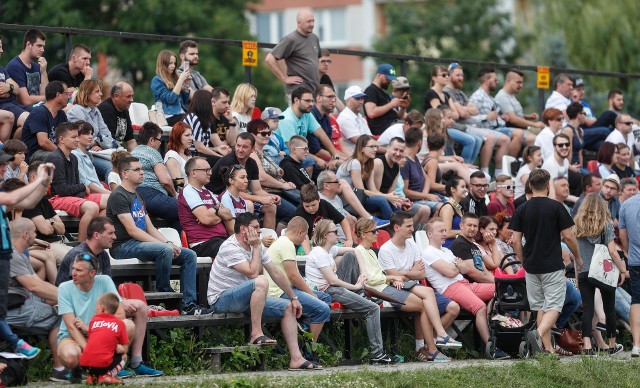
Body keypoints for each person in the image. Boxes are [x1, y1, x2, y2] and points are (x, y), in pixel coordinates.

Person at [207, 212, 322, 370]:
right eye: (255, 227)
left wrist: (293, 297)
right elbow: (253, 273)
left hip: (246, 298)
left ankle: (296, 358)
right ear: (243, 230)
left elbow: (275, 272)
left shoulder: (257, 246)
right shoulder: (230, 246)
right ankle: (256, 334)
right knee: (260, 281)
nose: (260, 231)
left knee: (288, 306)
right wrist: (256, 247)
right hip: (221, 299)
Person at [55, 216, 159, 378]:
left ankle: (136, 362)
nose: (114, 237)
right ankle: (104, 362)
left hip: (101, 306)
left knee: (139, 306)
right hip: (78, 312)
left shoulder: (102, 255)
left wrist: (122, 302)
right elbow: (78, 294)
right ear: (97, 235)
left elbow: (109, 290)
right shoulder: (78, 257)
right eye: (110, 233)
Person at [106, 156, 205, 315]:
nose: (142, 173)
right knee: (164, 250)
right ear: (125, 173)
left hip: (140, 244)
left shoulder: (137, 194)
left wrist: (168, 242)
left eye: (142, 169)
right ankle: (164, 294)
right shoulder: (118, 195)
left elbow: (149, 227)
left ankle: (188, 305)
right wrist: (165, 246)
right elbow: (133, 230)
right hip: (123, 246)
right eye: (137, 170)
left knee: (189, 255)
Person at [305, 218, 400, 364]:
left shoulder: (329, 250)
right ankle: (377, 354)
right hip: (329, 291)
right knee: (373, 309)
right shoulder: (319, 252)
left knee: (350, 255)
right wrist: (356, 286)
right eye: (335, 232)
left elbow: (356, 250)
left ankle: (361, 293)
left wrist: (363, 273)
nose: (339, 234)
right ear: (325, 235)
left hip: (335, 289)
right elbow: (332, 281)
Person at [509, 169, 582, 356]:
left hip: (531, 266)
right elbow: (568, 236)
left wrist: (523, 260)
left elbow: (515, 241)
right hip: (552, 265)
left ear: (530, 186)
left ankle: (546, 350)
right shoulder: (557, 207)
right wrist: (578, 257)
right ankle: (537, 333)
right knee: (555, 307)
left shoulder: (521, 209)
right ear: (548, 185)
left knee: (540, 307)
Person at [422, 218, 509, 360]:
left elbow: (465, 268)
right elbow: (452, 272)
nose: (444, 233)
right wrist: (458, 267)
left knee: (499, 289)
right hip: (450, 288)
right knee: (480, 307)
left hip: (464, 284)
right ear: (430, 234)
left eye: (445, 230)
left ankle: (498, 328)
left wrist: (456, 268)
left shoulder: (446, 251)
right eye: (440, 231)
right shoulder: (428, 252)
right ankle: (490, 347)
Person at [378, 212, 462, 350]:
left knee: (452, 307)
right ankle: (430, 343)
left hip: (414, 287)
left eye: (412, 225)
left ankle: (432, 341)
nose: (412, 229)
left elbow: (422, 274)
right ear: (397, 227)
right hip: (395, 289)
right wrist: (411, 272)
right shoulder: (386, 250)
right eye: (409, 226)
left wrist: (405, 272)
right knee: (426, 298)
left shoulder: (411, 243)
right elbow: (395, 279)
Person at [7, 218, 65, 378]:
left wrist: (64, 295)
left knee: (56, 302)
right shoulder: (12, 255)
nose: (36, 235)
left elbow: (38, 284)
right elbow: (35, 287)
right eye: (34, 231)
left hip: (19, 300)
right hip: (9, 308)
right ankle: (60, 370)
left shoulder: (18, 254)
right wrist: (69, 298)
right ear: (26, 235)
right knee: (60, 316)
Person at [574, 193, 628, 356]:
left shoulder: (577, 225)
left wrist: (577, 277)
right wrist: (623, 269)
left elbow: (576, 254)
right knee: (609, 308)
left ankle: (588, 345)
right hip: (603, 272)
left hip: (584, 271)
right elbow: (612, 251)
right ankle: (611, 345)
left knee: (588, 308)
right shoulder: (606, 225)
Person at [265, 217, 331, 350]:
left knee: (326, 298)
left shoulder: (281, 241)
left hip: (284, 289)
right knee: (322, 309)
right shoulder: (287, 244)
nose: (306, 239)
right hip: (280, 293)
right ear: (300, 232)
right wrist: (312, 294)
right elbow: (293, 276)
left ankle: (303, 325)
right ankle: (309, 349)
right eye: (306, 235)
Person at [208, 132, 288, 231]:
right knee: (249, 204)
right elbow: (233, 192)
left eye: (245, 147)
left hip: (237, 196)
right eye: (238, 145)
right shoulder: (228, 162)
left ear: (253, 149)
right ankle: (249, 237)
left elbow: (257, 190)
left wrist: (270, 197)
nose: (240, 150)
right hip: (218, 197)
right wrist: (260, 199)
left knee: (270, 207)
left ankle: (268, 241)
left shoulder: (252, 163)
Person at [442, 64, 510, 177]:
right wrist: (467, 110)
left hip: (469, 125)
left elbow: (475, 110)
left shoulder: (461, 93)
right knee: (483, 138)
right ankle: (476, 172)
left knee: (505, 138)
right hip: (459, 126)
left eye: (462, 75)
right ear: (449, 76)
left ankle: (498, 175)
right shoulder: (447, 92)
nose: (461, 78)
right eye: (458, 75)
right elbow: (461, 114)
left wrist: (465, 110)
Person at [45, 122, 107, 242]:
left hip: (71, 196)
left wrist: (81, 190)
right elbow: (61, 190)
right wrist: (82, 187)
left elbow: (76, 187)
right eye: (73, 137)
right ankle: (82, 244)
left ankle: (94, 238)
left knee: (111, 201)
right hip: (56, 199)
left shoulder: (73, 158)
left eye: (77, 136)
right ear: (62, 139)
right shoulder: (55, 158)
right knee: (92, 207)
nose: (77, 140)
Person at [469, 67, 534, 157]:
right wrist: (486, 117)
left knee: (532, 137)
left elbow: (497, 115)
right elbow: (470, 118)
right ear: (486, 80)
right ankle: (509, 165)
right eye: (495, 80)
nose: (498, 82)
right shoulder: (477, 97)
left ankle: (511, 166)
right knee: (518, 134)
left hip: (498, 128)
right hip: (488, 130)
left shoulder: (490, 98)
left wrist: (502, 117)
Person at [21, 162, 71, 278]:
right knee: (77, 259)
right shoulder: (29, 202)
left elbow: (62, 229)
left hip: (58, 242)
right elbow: (45, 230)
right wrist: (52, 222)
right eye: (47, 178)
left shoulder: (45, 201)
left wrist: (50, 222)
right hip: (45, 246)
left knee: (89, 256)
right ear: (34, 178)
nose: (51, 182)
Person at [178, 157, 233, 258]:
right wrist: (217, 210)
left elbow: (229, 215)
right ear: (193, 173)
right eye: (206, 170)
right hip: (202, 243)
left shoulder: (207, 192)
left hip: (219, 240)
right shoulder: (188, 191)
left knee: (246, 247)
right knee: (233, 250)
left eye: (210, 169)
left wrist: (213, 211)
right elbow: (207, 219)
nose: (210, 173)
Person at [276, 86, 344, 168]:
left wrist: (335, 156)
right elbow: (294, 150)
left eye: (312, 101)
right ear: (296, 100)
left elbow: (321, 134)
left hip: (301, 153)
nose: (311, 104)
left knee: (338, 164)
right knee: (310, 161)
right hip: (284, 157)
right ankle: (305, 181)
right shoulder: (287, 119)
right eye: (307, 101)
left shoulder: (307, 114)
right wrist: (317, 159)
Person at [336, 135, 401, 220]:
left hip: (358, 197)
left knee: (395, 202)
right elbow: (361, 192)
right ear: (362, 148)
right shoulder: (355, 162)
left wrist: (391, 197)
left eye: (375, 146)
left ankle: (401, 226)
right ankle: (393, 227)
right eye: (371, 147)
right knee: (382, 200)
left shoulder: (369, 164)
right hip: (345, 198)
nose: (375, 150)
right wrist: (386, 196)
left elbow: (373, 190)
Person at [65, 79, 117, 180]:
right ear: (87, 93)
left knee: (126, 162)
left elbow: (108, 137)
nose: (101, 94)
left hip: (98, 152)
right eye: (97, 91)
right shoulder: (77, 111)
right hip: (81, 154)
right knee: (111, 168)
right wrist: (97, 142)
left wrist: (97, 143)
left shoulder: (96, 110)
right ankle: (113, 195)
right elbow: (82, 139)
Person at [264, 8, 321, 100]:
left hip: (313, 92)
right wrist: (284, 79)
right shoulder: (291, 39)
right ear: (299, 23)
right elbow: (269, 59)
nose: (312, 24)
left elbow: (315, 62)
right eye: (308, 22)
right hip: (298, 93)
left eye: (313, 21)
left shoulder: (314, 38)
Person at [372, 136, 429, 226]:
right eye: (395, 149)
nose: (398, 153)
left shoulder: (396, 167)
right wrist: (392, 198)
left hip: (385, 198)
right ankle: (397, 229)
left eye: (401, 151)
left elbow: (391, 192)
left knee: (407, 208)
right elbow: (374, 192)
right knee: (386, 203)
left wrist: (401, 200)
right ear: (388, 148)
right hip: (374, 199)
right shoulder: (379, 162)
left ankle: (407, 233)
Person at [131, 122, 179, 223]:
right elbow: (165, 180)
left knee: (176, 219)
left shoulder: (132, 152)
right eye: (159, 139)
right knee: (186, 209)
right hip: (152, 193)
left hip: (135, 194)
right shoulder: (153, 152)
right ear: (152, 140)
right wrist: (175, 195)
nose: (161, 142)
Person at [79, 292, 128, 385]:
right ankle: (106, 376)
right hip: (102, 365)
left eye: (96, 306)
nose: (95, 308)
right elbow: (125, 349)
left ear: (102, 308)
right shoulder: (120, 324)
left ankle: (92, 377)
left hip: (84, 364)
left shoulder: (93, 320)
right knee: (124, 357)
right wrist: (120, 348)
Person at [247, 118, 299, 204]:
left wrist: (286, 183)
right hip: (266, 193)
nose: (267, 136)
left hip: (278, 191)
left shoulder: (264, 152)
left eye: (269, 133)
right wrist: (282, 185)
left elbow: (276, 174)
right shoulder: (252, 153)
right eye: (264, 133)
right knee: (294, 211)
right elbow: (262, 177)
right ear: (252, 135)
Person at [316, 170, 388, 229]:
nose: (339, 183)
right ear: (326, 186)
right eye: (336, 181)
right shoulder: (320, 201)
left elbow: (350, 220)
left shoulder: (336, 198)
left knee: (353, 219)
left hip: (347, 241)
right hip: (336, 242)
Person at [295, 183, 353, 252]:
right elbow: (303, 234)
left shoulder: (324, 204)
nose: (310, 208)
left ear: (319, 200)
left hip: (327, 242)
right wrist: (309, 254)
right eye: (307, 206)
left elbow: (343, 220)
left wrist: (349, 239)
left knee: (348, 251)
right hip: (309, 244)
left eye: (313, 205)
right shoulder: (300, 211)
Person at [22, 81, 69, 163]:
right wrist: (63, 153)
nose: (68, 97)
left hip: (53, 151)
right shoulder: (39, 112)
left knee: (82, 155)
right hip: (35, 153)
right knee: (58, 159)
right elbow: (43, 142)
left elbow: (66, 137)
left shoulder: (61, 114)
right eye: (66, 93)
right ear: (58, 95)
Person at [619, 181, 640, 357]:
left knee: (636, 300)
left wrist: (628, 251)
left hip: (635, 260)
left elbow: (623, 235)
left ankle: (636, 345)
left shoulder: (627, 204)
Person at [183, 88, 232, 158]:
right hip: (191, 156)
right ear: (204, 103)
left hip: (199, 154)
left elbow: (203, 147)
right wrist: (220, 157)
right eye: (211, 101)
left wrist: (216, 149)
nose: (213, 104)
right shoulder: (194, 118)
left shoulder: (205, 119)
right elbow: (199, 148)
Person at [5, 29, 48, 106]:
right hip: (23, 111)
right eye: (39, 46)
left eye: (43, 46)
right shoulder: (14, 67)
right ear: (28, 45)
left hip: (38, 107)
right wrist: (49, 97)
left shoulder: (37, 66)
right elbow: (25, 100)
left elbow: (44, 94)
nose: (42, 50)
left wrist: (44, 71)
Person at [0, 37, 31, 141]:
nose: (1, 50)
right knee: (30, 119)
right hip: (4, 106)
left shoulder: (2, 70)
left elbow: (16, 89)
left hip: (15, 103)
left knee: (41, 113)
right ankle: (10, 150)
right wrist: (9, 90)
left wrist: (9, 87)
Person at [450, 213, 495, 283]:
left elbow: (484, 270)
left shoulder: (474, 245)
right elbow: (473, 273)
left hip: (483, 284)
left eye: (475, 226)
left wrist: (497, 281)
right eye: (469, 225)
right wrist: (497, 283)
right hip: (469, 285)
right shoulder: (460, 244)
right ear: (461, 226)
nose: (472, 229)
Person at [363, 63, 406, 136]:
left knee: (417, 124)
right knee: (412, 129)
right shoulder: (370, 90)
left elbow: (399, 116)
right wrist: (391, 104)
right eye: (387, 78)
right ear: (379, 75)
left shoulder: (385, 94)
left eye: (391, 79)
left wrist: (403, 107)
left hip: (394, 125)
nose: (389, 81)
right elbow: (371, 113)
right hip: (383, 131)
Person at [150, 50, 191, 126]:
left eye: (174, 63)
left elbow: (185, 101)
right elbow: (170, 99)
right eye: (170, 63)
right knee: (192, 119)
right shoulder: (156, 81)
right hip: (168, 116)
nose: (173, 66)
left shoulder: (174, 78)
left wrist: (185, 87)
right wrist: (180, 80)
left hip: (181, 115)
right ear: (163, 64)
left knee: (200, 117)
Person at [71, 121, 111, 194]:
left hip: (99, 191)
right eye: (86, 133)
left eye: (91, 133)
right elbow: (84, 182)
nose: (90, 137)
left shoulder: (86, 155)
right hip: (90, 194)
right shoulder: (75, 155)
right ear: (76, 135)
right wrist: (107, 193)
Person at [97, 82, 137, 151]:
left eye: (132, 96)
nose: (131, 100)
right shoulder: (106, 109)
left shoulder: (124, 109)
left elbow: (130, 141)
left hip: (117, 151)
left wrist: (137, 157)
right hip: (107, 151)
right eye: (128, 96)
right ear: (116, 96)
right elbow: (109, 141)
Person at [337, 86, 372, 152]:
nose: (361, 102)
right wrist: (386, 150)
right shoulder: (345, 118)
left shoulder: (360, 117)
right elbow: (364, 143)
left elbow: (370, 140)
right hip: (352, 158)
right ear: (348, 101)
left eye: (362, 98)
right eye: (357, 99)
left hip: (364, 155)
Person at [440, 176, 467, 248]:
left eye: (465, 187)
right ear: (453, 189)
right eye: (462, 187)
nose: (466, 190)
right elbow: (447, 233)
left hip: (460, 243)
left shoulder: (459, 206)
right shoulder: (448, 208)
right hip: (449, 246)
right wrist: (465, 232)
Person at [559, 102, 586, 169]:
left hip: (578, 167)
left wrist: (581, 169)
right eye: (584, 114)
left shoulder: (580, 131)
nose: (585, 116)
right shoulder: (568, 131)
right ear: (579, 115)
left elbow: (580, 154)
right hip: (571, 167)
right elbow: (568, 153)